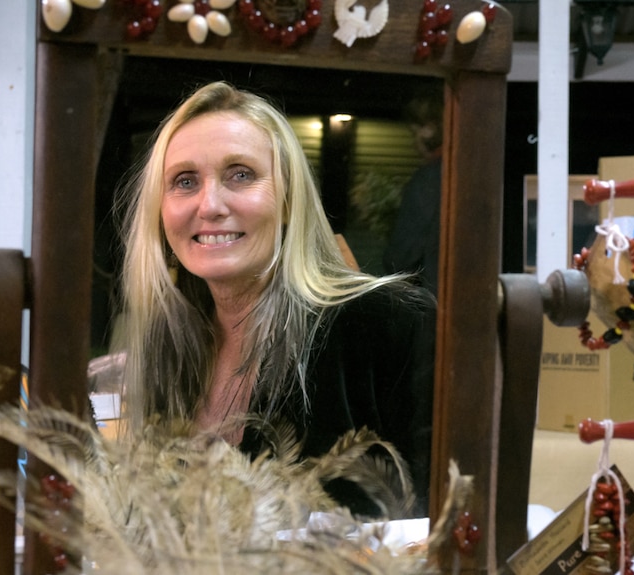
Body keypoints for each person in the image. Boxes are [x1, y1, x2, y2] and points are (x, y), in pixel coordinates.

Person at [114, 81, 435, 518]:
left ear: (288, 198)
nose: (209, 205)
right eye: (184, 181)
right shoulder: (166, 347)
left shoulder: (388, 323)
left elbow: (447, 523)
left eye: (240, 175)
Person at [383, 91, 443, 295]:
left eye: (414, 132)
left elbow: (402, 258)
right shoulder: (469, 175)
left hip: (433, 310)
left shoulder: (429, 180)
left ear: (430, 129)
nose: (413, 143)